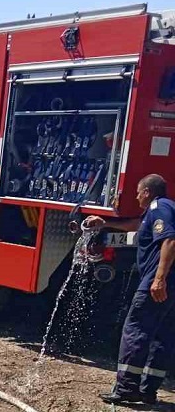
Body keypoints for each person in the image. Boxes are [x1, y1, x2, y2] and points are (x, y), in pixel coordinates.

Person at [86, 174, 175, 405]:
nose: (136, 196)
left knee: (135, 329)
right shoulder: (158, 210)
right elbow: (137, 224)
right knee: (162, 335)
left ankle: (126, 389)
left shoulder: (159, 207)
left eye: (138, 192)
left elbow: (170, 241)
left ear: (147, 192)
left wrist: (159, 279)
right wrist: (105, 223)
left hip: (158, 282)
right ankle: (147, 391)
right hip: (170, 283)